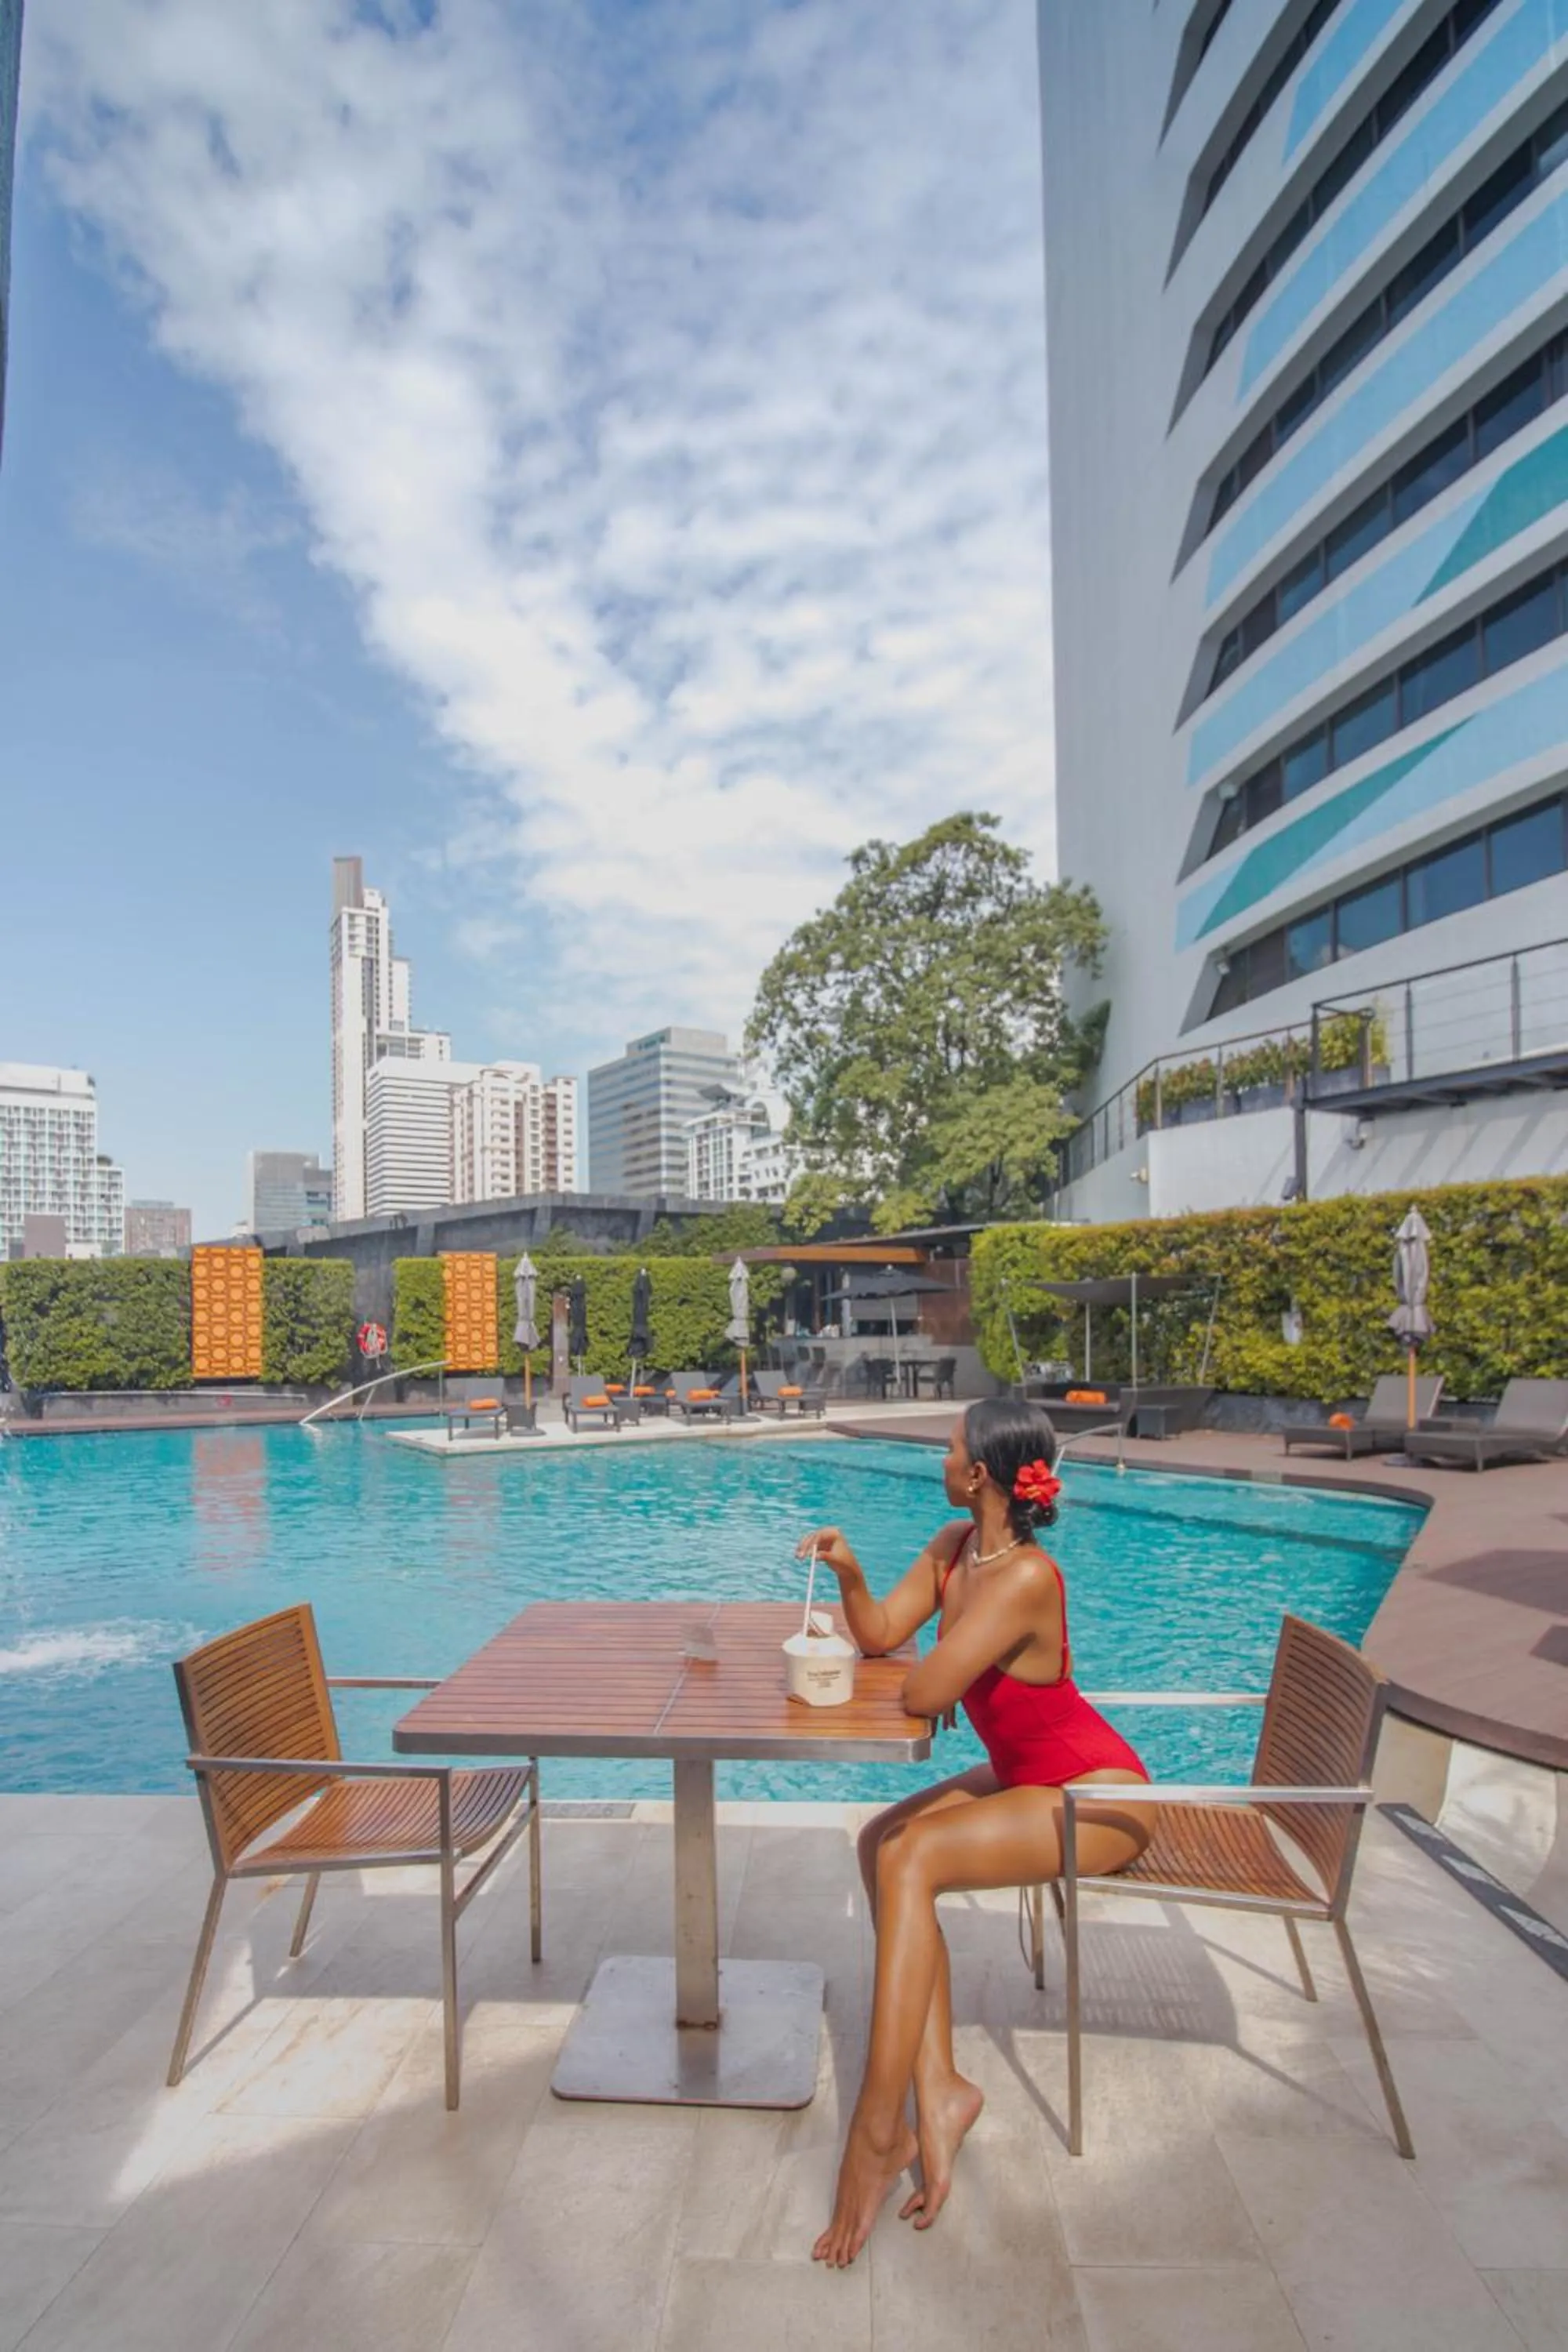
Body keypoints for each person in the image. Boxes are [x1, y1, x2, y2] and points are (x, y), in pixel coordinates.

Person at [797, 1396, 1154, 2268]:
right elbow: (884, 1636)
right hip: (1028, 1777)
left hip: (1094, 1794)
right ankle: (941, 2089)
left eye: (949, 1447)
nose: (940, 1457)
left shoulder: (1027, 1577)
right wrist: (849, 1574)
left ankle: (877, 2135)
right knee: (881, 1843)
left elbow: (921, 1694)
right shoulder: (956, 1548)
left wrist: (944, 1672)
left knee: (911, 1858)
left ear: (981, 1474)